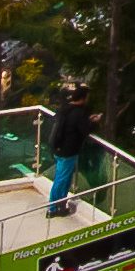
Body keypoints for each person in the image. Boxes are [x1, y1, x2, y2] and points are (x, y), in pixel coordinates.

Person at [43, 89, 97, 217]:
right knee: (61, 180)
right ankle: (53, 208)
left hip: (58, 148)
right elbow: (84, 129)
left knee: (63, 178)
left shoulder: (65, 109)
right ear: (83, 98)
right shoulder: (78, 113)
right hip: (68, 151)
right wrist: (93, 122)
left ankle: (60, 205)